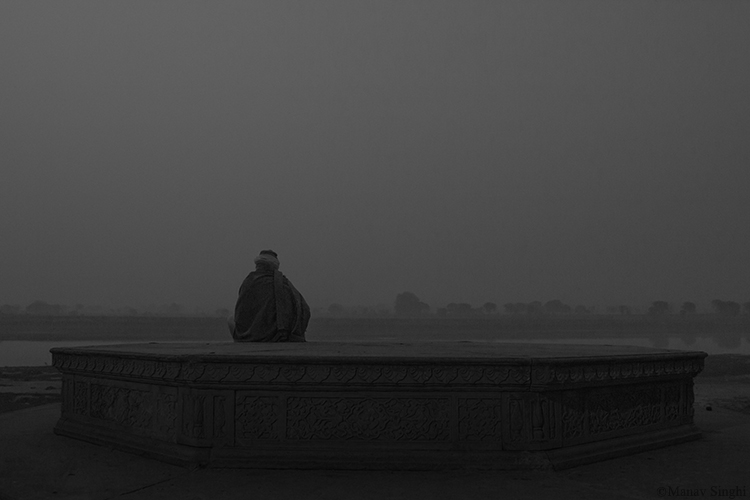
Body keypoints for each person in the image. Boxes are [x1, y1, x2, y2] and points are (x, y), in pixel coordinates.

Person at [228, 250, 310, 342]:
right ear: (275, 267)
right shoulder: (284, 284)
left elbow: (240, 314)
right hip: (279, 336)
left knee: (230, 319)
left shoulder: (249, 282)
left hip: (251, 335)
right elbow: (304, 309)